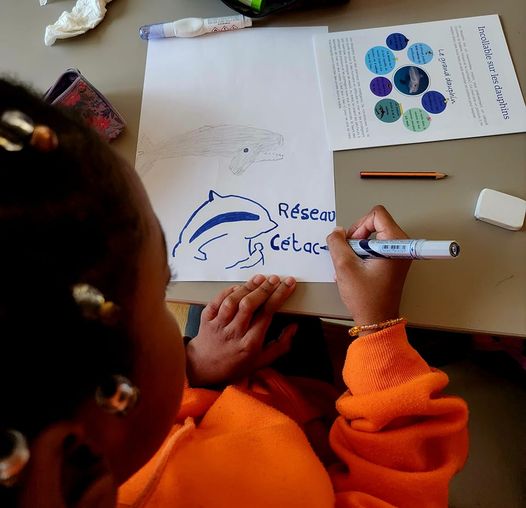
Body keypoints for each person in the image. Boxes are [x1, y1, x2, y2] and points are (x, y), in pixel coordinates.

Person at [0, 78, 468, 508]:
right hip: (322, 446)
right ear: (85, 446)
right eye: (162, 294)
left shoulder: (66, 455)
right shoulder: (271, 496)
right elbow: (397, 492)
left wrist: (194, 370)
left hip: (227, 397)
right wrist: (380, 330)